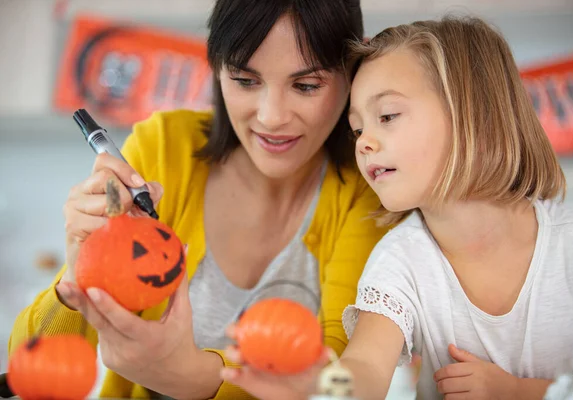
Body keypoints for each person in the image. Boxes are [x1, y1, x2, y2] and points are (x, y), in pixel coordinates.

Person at [8, 0, 387, 398]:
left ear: (353, 67)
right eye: (245, 80)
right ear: (218, 67)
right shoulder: (164, 148)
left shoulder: (370, 188)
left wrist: (193, 375)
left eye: (306, 86)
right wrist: (79, 272)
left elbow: (340, 377)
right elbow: (31, 369)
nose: (272, 116)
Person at [220, 15, 573, 400]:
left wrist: (519, 392)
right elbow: (365, 367)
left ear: (474, 115)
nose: (364, 142)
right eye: (358, 129)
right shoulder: (399, 260)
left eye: (387, 116)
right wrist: (324, 383)